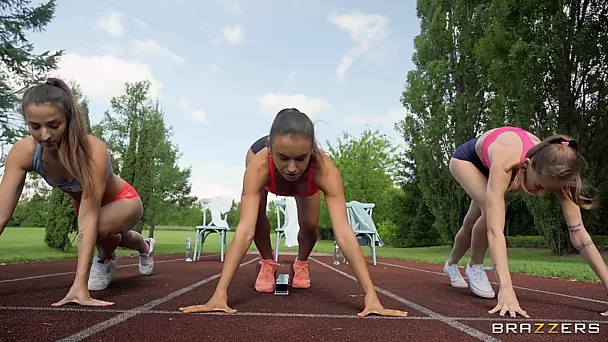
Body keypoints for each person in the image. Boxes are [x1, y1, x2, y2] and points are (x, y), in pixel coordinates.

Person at [179, 108, 407, 317]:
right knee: (256, 218)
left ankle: (301, 263)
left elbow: (344, 232)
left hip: (305, 183)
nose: (290, 167)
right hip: (264, 170)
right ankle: (267, 262)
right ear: (270, 148)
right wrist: (220, 293)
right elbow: (244, 229)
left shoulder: (324, 170)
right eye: (283, 157)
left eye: (300, 158)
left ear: (312, 151)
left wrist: (371, 296)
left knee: (309, 226)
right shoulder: (258, 166)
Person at [0, 78, 156, 307]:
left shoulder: (92, 151)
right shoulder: (23, 152)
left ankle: (105, 258)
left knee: (100, 229)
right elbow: (1, 214)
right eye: (35, 126)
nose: (44, 135)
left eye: (54, 125)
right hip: (85, 206)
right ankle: (145, 246)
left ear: (69, 119)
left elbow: (88, 216)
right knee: (107, 234)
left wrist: (79, 284)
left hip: (123, 200)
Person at [443, 126, 608, 318]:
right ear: (528, 164)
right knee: (492, 213)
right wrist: (506, 289)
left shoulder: (561, 173)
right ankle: (474, 265)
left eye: (550, 191)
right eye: (539, 186)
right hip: (468, 161)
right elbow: (495, 231)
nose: (541, 194)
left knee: (471, 221)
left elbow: (579, 234)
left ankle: (451, 265)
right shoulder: (506, 162)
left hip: (496, 161)